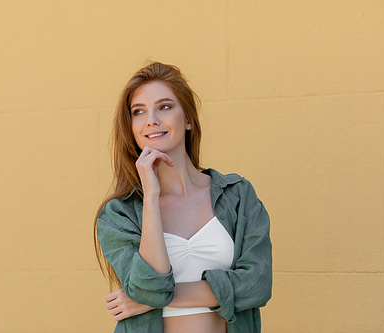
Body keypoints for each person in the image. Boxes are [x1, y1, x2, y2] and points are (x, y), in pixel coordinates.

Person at [94, 62, 272, 333]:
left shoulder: (238, 196)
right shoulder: (119, 214)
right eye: (138, 111)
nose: (151, 119)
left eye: (164, 106)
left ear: (188, 119)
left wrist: (155, 300)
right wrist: (151, 196)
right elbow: (150, 289)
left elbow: (257, 284)